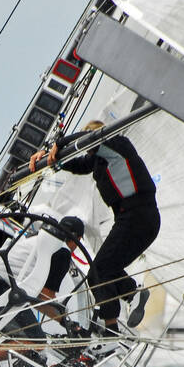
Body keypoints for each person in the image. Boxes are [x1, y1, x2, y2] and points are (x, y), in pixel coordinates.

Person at [31, 119, 159, 333]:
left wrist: (59, 143)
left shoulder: (118, 144)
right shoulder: (98, 161)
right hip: (131, 218)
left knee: (99, 271)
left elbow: (86, 142)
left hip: (139, 215)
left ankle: (112, 325)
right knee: (105, 269)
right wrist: (50, 159)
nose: (89, 154)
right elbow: (79, 165)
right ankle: (131, 296)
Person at [0, 215, 85, 363]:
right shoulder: (61, 251)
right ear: (77, 240)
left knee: (18, 336)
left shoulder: (34, 237)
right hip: (1, 289)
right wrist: (66, 322)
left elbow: (37, 298)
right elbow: (44, 297)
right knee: (36, 341)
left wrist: (61, 319)